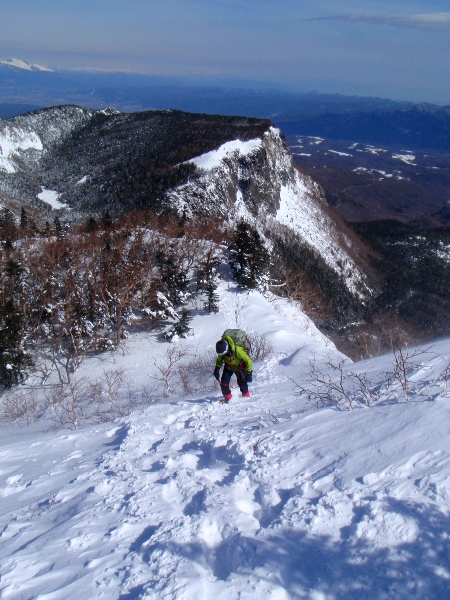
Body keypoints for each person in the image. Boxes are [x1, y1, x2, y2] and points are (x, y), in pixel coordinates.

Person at [213, 334, 253, 402]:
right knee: (224, 383)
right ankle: (228, 398)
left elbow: (248, 361)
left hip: (240, 366)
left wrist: (249, 373)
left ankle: (246, 397)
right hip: (229, 366)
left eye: (223, 353)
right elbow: (219, 360)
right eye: (220, 354)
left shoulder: (237, 350)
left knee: (242, 383)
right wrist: (217, 369)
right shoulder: (221, 351)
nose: (222, 355)